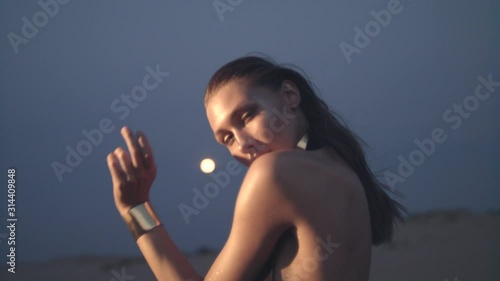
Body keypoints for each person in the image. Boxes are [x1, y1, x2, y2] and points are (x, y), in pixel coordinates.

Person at [106, 54, 406, 281]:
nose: (242, 143)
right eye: (226, 139)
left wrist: (136, 209)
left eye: (247, 116)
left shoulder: (277, 172)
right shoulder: (342, 166)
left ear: (290, 96)